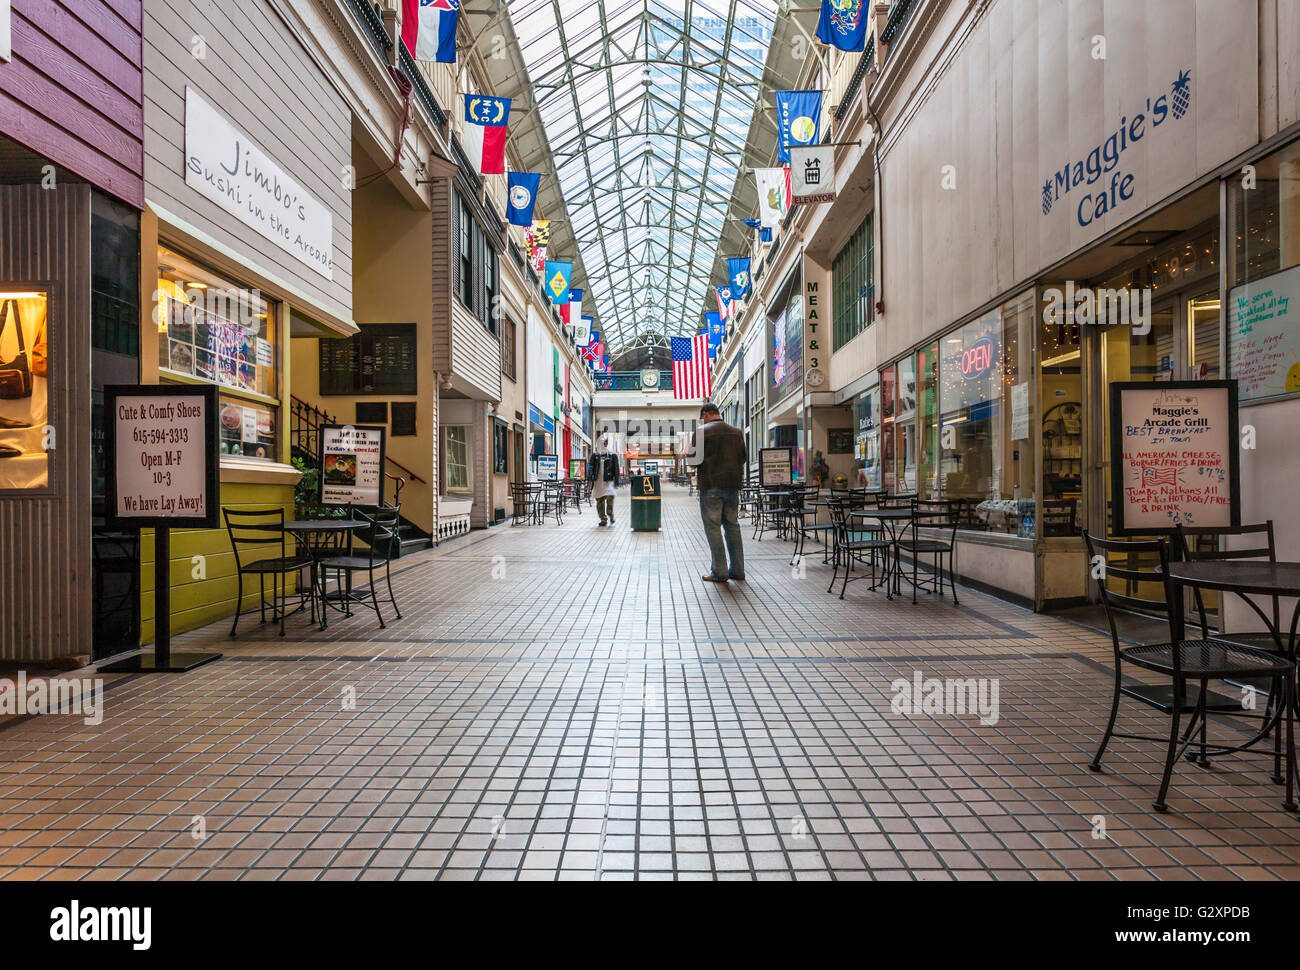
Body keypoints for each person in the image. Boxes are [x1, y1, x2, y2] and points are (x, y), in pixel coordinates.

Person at [686, 402, 746, 583]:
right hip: (732, 486)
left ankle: (719, 571)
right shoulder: (736, 432)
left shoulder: (702, 432)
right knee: (732, 525)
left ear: (705, 414)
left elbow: (693, 462)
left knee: (713, 528)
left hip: (710, 486)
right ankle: (738, 570)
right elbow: (742, 458)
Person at [587, 435, 619, 526]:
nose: (603, 444)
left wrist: (616, 481)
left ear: (607, 444)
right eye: (601, 443)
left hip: (609, 482)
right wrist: (589, 480)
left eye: (604, 443)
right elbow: (591, 468)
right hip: (598, 482)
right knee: (600, 502)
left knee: (610, 498)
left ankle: (610, 514)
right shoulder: (594, 455)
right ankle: (603, 519)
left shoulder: (613, 456)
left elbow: (616, 469)